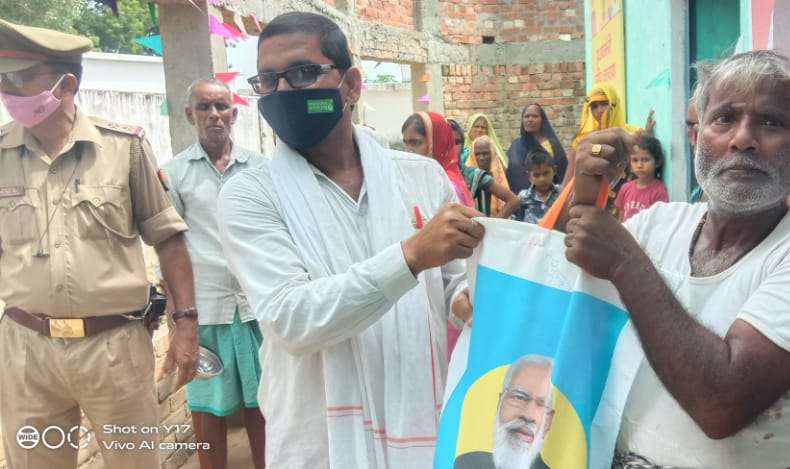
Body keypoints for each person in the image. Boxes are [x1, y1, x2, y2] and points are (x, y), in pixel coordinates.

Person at [561, 50, 790, 469]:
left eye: (771, 122)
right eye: (724, 118)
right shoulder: (656, 224)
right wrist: (583, 188)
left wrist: (625, 263)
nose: (742, 139)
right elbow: (566, 301)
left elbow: (722, 402)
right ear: (696, 136)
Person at [218, 12, 482, 468]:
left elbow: (453, 288)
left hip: (419, 422)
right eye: (268, 80)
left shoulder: (419, 177)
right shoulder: (249, 194)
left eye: (302, 74)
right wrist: (411, 256)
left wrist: (473, 298)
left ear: (352, 87)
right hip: (319, 439)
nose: (283, 92)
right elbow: (291, 319)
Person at [0, 19, 198, 468]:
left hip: (113, 349)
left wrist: (185, 323)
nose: (6, 89)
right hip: (26, 349)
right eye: (1, 79)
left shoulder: (123, 149)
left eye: (19, 77)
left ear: (65, 82)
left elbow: (168, 239)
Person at [161, 78, 267, 469]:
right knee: (208, 411)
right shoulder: (173, 175)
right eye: (204, 108)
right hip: (204, 313)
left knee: (265, 405)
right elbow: (168, 251)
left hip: (256, 307)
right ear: (190, 115)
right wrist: (176, 324)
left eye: (222, 107)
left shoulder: (261, 170)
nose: (214, 115)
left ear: (234, 114)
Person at [453, 355, 555, 469]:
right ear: (499, 403)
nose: (528, 415)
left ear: (548, 422)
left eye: (542, 404)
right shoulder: (466, 463)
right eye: (519, 397)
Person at [403, 111, 474, 207]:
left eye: (415, 143)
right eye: (405, 143)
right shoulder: (409, 178)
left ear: (437, 143)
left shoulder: (448, 186)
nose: (408, 151)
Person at [507, 104, 569, 193]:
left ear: (542, 120)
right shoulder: (516, 146)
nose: (530, 119)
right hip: (524, 200)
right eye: (526, 116)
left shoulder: (553, 145)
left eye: (535, 116)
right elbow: (513, 173)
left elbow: (562, 171)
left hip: (552, 197)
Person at [615, 135, 668, 222]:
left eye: (645, 160)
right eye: (635, 160)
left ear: (657, 162)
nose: (639, 165)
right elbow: (621, 218)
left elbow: (659, 221)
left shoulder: (659, 191)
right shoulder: (625, 188)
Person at [470, 136, 520, 219]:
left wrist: (493, 225)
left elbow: (512, 201)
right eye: (477, 154)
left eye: (485, 153)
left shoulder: (499, 176)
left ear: (492, 154)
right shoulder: (468, 176)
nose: (481, 158)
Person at [512, 150, 561, 225]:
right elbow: (516, 225)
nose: (542, 179)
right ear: (529, 176)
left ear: (554, 171)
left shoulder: (561, 193)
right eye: (536, 175)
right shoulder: (523, 198)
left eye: (546, 173)